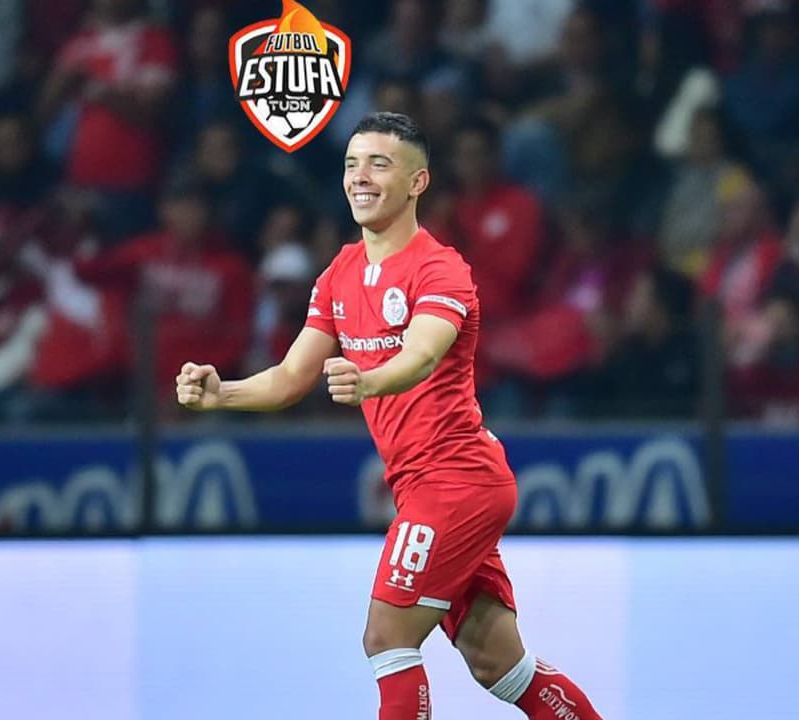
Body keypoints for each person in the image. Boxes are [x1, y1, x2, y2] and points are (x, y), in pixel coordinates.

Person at [175, 112, 603, 720]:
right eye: (352, 164)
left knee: (387, 637)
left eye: (379, 164)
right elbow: (291, 376)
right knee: (499, 665)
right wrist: (222, 394)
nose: (360, 177)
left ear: (417, 182)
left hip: (455, 481)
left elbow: (422, 354)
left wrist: (368, 380)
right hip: (427, 486)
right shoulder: (340, 273)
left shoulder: (440, 269)